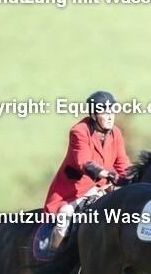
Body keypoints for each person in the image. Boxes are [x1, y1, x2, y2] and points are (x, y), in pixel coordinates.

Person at [43, 91, 131, 250]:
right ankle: (53, 260)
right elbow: (84, 162)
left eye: (112, 111)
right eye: (105, 112)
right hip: (73, 191)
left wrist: (134, 177)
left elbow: (123, 163)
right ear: (93, 114)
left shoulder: (116, 133)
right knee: (65, 216)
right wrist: (110, 175)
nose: (110, 116)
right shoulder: (79, 131)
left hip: (101, 190)